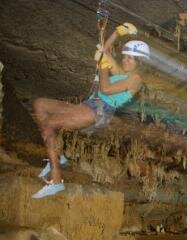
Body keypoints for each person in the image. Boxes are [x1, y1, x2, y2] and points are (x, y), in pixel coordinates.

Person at [31, 22, 149, 198]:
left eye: (129, 58)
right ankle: (57, 156)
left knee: (48, 124)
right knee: (40, 104)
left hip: (98, 111)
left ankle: (56, 180)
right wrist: (117, 32)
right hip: (89, 104)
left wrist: (102, 69)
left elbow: (106, 89)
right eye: (125, 56)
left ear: (139, 62)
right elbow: (105, 51)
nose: (125, 60)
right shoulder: (122, 72)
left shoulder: (135, 79)